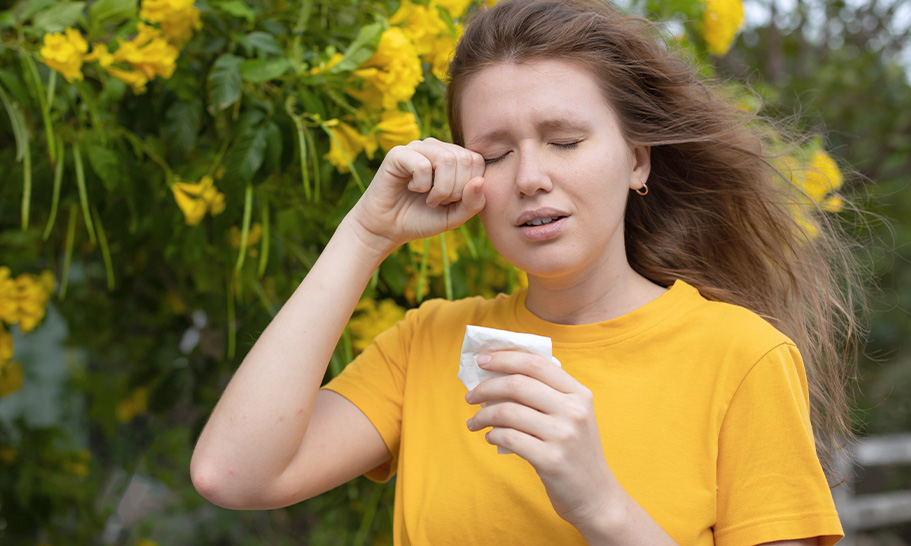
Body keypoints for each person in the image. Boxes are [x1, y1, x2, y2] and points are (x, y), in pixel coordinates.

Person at [191, 0, 864, 544]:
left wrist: (599, 505)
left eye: (564, 141)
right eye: (495, 153)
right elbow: (232, 474)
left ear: (637, 160)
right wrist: (364, 236)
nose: (531, 178)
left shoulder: (740, 356)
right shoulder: (426, 344)